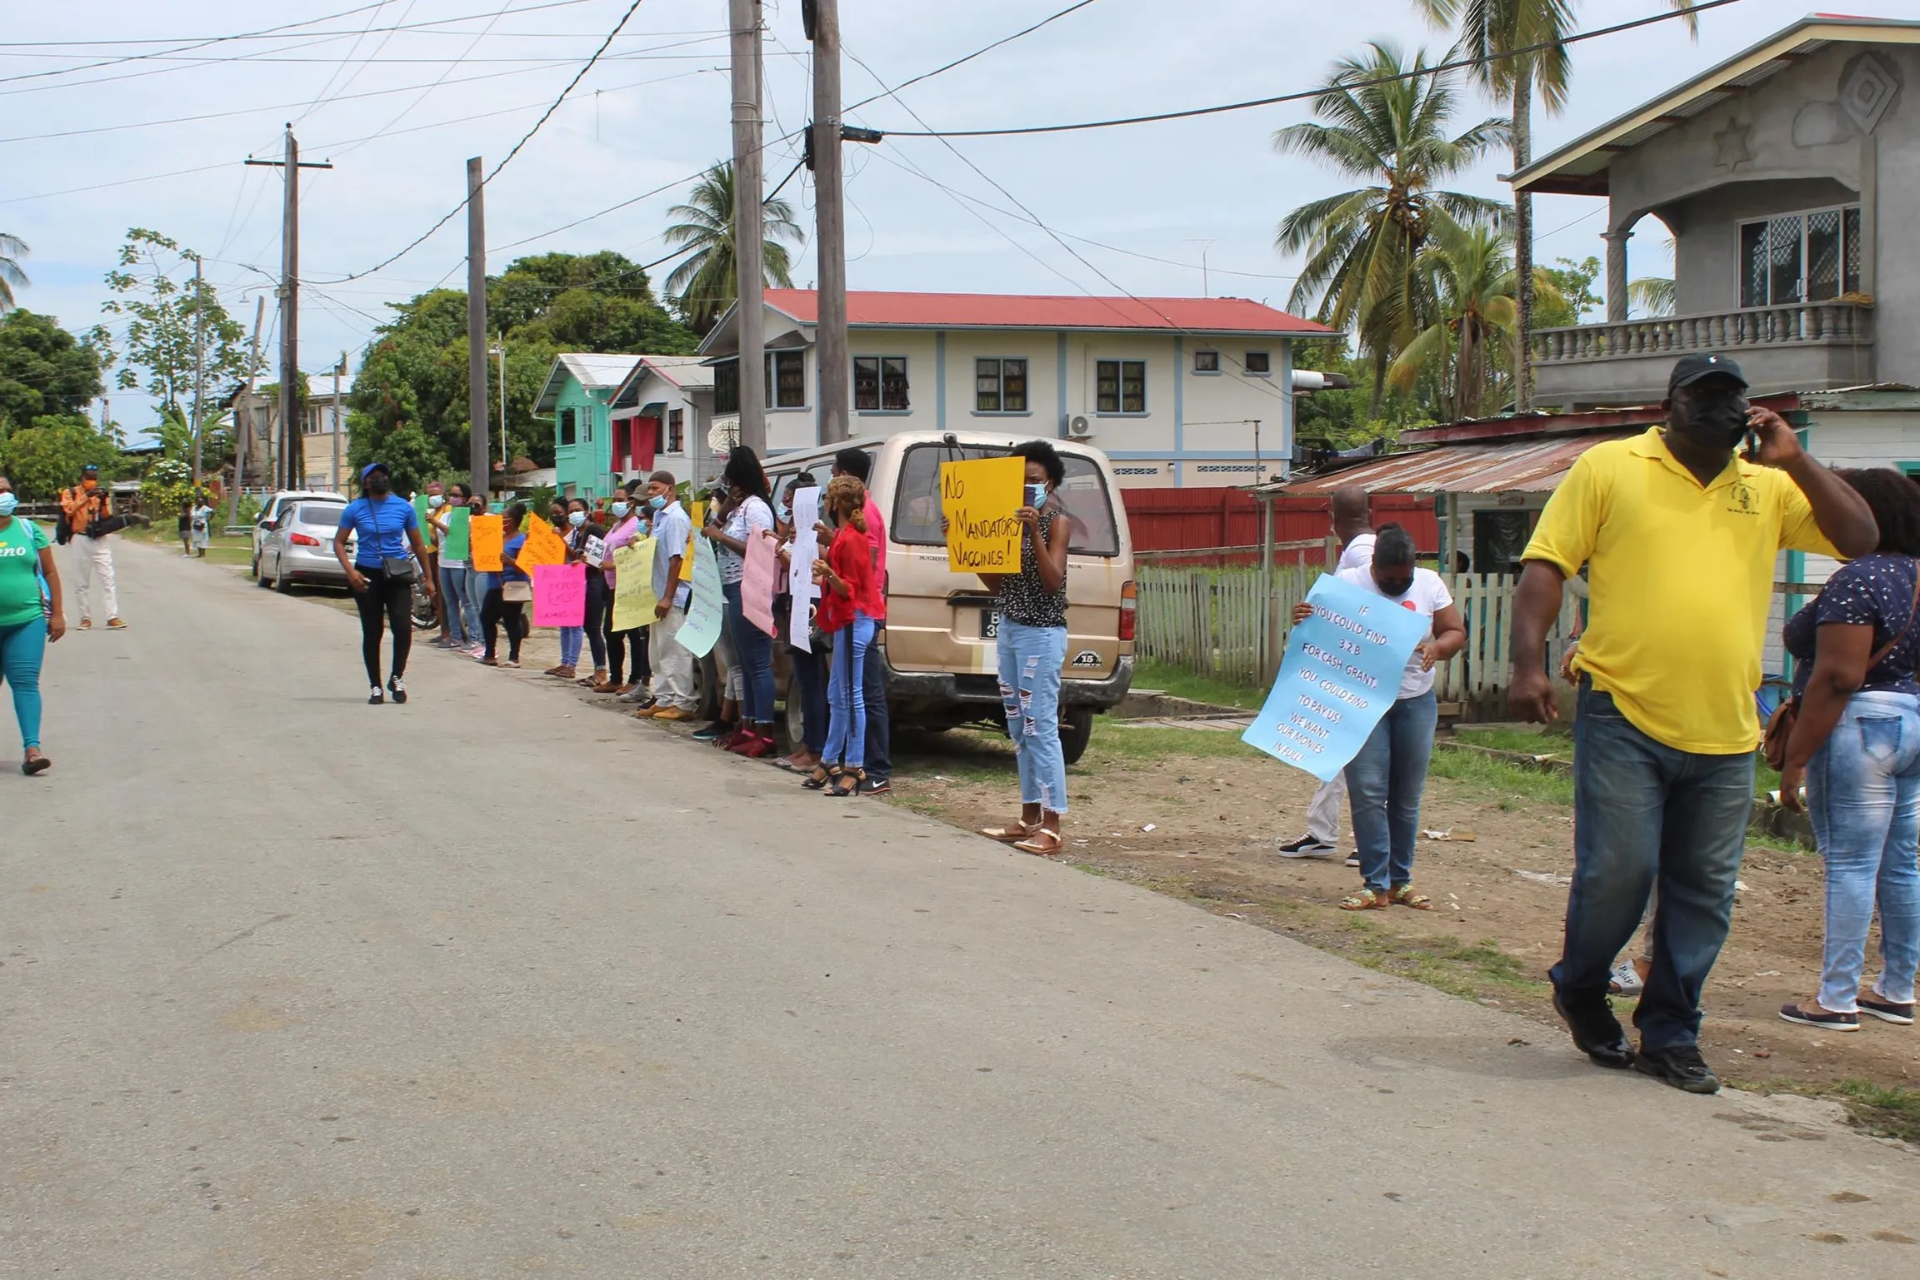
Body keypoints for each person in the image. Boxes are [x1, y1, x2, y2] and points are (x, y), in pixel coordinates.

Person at [1510, 353, 1877, 1094]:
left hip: (1726, 731)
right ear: (1669, 404)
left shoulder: (1769, 489)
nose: (1718, 410)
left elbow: (1860, 537)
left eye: (1731, 399)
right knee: (1619, 871)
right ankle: (1582, 985)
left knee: (1703, 892)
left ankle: (1671, 1035)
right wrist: (1528, 665)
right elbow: (1545, 566)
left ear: (1750, 412)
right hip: (1623, 711)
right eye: (1703, 397)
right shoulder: (1611, 467)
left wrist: (1797, 460)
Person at [1776, 468, 1920, 1032]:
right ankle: (1898, 988)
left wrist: (1796, 757)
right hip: (1912, 720)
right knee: (1902, 863)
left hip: (1860, 724)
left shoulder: (1858, 578)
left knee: (1852, 863)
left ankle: (1835, 998)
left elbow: (1837, 677)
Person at [1293, 525, 1466, 911]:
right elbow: (1318, 627)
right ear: (1373, 566)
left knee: (1405, 797)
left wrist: (1438, 646)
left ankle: (1401, 882)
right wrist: (1303, 616)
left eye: (1403, 579)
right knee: (1368, 791)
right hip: (1361, 700)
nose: (1397, 586)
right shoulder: (1348, 582)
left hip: (1414, 700)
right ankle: (1375, 884)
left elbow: (1455, 630)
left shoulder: (1428, 583)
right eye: (1389, 580)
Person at [958, 441, 1074, 855]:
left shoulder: (1056, 522)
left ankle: (1053, 823)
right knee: (1016, 723)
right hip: (1009, 628)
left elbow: (1051, 580)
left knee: (1040, 725)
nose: (1028, 489)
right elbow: (999, 585)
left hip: (1041, 633)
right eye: (1022, 482)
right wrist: (968, 548)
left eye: (1036, 482)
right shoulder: (1006, 522)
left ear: (1051, 482)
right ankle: (1028, 815)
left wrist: (1032, 533)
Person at [1278, 484, 1375, 861]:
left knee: (1362, 757)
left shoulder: (1362, 552)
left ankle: (1368, 843)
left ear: (1332, 519)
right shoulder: (1359, 549)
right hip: (1350, 665)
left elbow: (1371, 605)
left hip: (1357, 669)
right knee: (1337, 753)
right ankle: (1322, 832)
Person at [806, 475, 886, 796]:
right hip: (845, 619)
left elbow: (851, 588)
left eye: (827, 498)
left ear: (836, 502)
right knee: (837, 693)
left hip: (856, 619)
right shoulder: (843, 535)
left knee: (851, 696)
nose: (824, 503)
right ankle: (830, 758)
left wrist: (829, 574)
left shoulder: (852, 539)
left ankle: (854, 764)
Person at [333, 462, 435, 705]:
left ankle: (397, 677)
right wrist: (350, 572)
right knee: (373, 631)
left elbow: (419, 544)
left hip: (397, 573)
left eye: (383, 474)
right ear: (365, 482)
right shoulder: (354, 509)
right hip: (367, 574)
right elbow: (338, 542)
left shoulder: (403, 507)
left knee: (402, 627)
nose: (380, 478)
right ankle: (375, 685)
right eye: (374, 475)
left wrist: (428, 577)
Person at [702, 446, 778, 757]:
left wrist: (721, 538)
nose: (727, 487)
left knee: (758, 663)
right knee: (745, 664)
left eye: (730, 482)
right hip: (732, 587)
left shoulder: (757, 509)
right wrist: (723, 512)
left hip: (751, 587)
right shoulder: (738, 509)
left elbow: (760, 550)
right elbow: (710, 530)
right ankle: (746, 726)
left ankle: (765, 731)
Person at [829, 447, 893, 794]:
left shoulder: (863, 513)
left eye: (833, 473)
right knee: (845, 690)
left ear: (843, 475)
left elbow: (863, 569)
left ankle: (875, 768)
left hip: (861, 611)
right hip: (852, 610)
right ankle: (839, 760)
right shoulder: (855, 515)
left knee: (863, 692)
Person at [0, 474, 64, 774]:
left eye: (7, 490)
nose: (4, 495)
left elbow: (50, 573)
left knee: (25, 683)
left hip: (27, 620)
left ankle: (32, 749)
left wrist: (57, 614)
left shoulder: (28, 530)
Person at [634, 473, 698, 720]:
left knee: (674, 650)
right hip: (657, 593)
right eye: (649, 489)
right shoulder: (660, 517)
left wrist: (668, 597)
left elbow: (676, 560)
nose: (650, 493)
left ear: (669, 489)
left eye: (654, 488)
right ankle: (665, 698)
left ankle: (683, 701)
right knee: (658, 651)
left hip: (672, 596)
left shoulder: (676, 519)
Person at [776, 473, 827, 774]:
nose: (786, 507)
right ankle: (809, 745)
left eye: (790, 501)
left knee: (811, 682)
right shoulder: (799, 533)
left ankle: (816, 748)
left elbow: (819, 569)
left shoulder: (816, 535)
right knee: (805, 680)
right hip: (797, 604)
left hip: (811, 608)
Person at [59, 463, 124, 630]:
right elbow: (69, 510)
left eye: (94, 479)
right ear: (82, 478)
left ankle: (112, 616)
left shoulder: (99, 493)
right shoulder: (71, 493)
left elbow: (107, 515)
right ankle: (85, 617)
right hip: (80, 538)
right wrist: (86, 496)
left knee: (107, 578)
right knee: (81, 581)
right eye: (89, 478)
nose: (92, 482)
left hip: (99, 537)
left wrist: (103, 500)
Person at [599, 485, 650, 696]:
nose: (617, 502)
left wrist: (612, 565)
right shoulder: (616, 525)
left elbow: (638, 554)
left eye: (621, 499)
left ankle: (635, 678)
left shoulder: (636, 526)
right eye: (615, 498)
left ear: (630, 502)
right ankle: (616, 678)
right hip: (612, 585)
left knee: (631, 633)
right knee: (610, 632)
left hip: (627, 585)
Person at [551, 497, 607, 685]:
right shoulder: (577, 533)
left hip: (594, 583)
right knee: (583, 626)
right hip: (579, 582)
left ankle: (600, 670)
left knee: (592, 627)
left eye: (577, 510)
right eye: (571, 510)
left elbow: (595, 560)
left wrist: (581, 561)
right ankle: (590, 668)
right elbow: (576, 554)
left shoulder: (594, 530)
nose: (574, 514)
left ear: (586, 511)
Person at [431, 483, 480, 653]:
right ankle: (455, 636)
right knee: (450, 601)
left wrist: (435, 523)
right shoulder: (445, 516)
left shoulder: (467, 517)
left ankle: (474, 639)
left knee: (465, 601)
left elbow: (454, 534)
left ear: (465, 498)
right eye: (451, 494)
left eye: (457, 495)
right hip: (443, 561)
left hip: (459, 564)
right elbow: (437, 539)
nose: (452, 498)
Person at [480, 503, 530, 668]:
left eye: (504, 517)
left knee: (511, 621)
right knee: (486, 618)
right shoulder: (497, 537)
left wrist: (510, 561)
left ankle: (514, 657)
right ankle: (489, 654)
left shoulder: (522, 540)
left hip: (512, 586)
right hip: (494, 584)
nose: (500, 519)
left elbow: (527, 565)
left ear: (512, 520)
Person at [421, 480, 447, 637]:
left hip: (440, 555)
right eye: (430, 495)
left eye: (436, 495)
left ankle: (447, 631)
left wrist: (432, 524)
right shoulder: (432, 513)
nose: (433, 498)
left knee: (442, 595)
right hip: (429, 554)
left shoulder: (447, 512)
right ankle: (443, 629)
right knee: (435, 594)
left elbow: (441, 537)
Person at [191, 493, 215, 558]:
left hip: (202, 525)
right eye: (199, 501)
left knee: (203, 539)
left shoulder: (205, 508)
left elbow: (213, 512)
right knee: (197, 539)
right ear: (196, 502)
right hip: (195, 525)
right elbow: (191, 515)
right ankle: (199, 553)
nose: (200, 503)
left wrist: (208, 519)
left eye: (201, 501)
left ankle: (203, 553)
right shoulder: (194, 508)